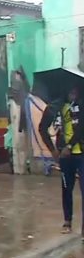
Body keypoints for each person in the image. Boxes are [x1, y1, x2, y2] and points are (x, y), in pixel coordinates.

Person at [39, 86, 84, 236]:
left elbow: (81, 128)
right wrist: (52, 149)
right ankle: (67, 221)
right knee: (66, 189)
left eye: (76, 90)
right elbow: (42, 128)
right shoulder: (55, 107)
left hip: (81, 153)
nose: (74, 93)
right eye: (71, 90)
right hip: (65, 158)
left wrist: (70, 146)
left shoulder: (82, 104)